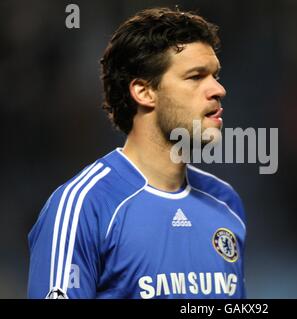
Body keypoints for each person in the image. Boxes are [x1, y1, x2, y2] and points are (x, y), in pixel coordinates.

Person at [27, 7, 247, 299]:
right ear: (144, 92)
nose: (218, 89)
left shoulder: (225, 202)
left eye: (215, 76)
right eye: (196, 77)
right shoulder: (83, 206)